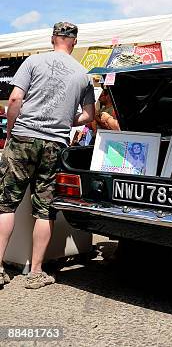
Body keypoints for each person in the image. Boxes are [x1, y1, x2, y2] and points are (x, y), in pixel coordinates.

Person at [0, 22, 95, 290]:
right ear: (74, 42)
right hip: (55, 143)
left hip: (23, 138)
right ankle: (37, 272)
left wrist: (10, 132)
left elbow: (15, 100)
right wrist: (64, 119)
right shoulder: (83, 74)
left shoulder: (33, 62)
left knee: (6, 203)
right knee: (45, 209)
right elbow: (88, 116)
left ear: (53, 38)